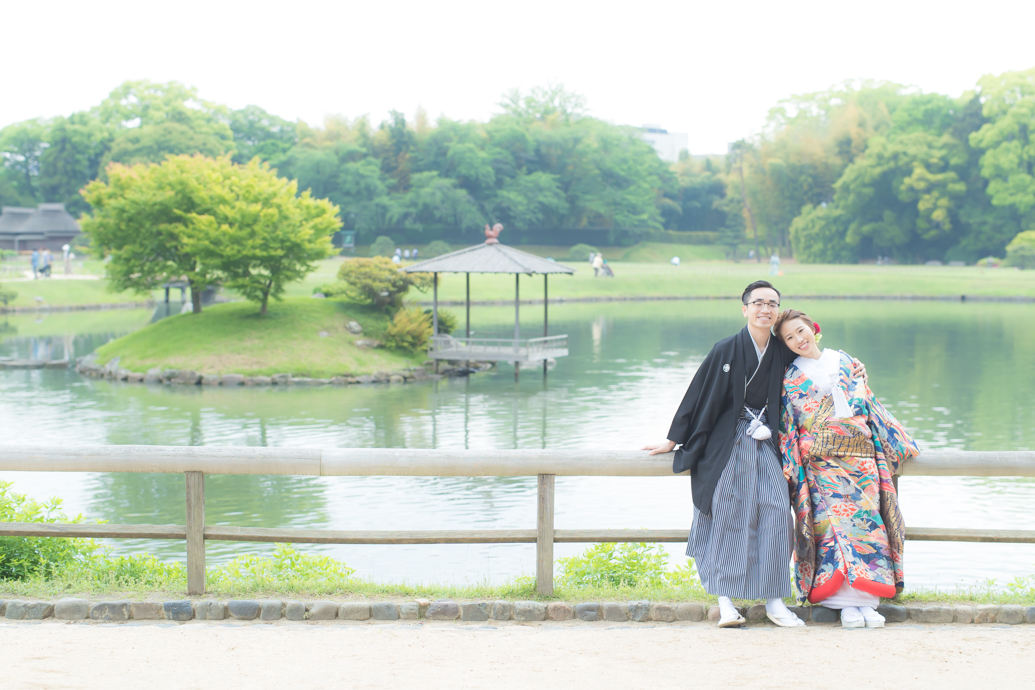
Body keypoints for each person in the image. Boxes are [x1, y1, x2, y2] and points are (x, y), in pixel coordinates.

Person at [644, 281, 866, 628]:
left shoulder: (782, 350)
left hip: (767, 442)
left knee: (777, 513)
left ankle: (774, 599)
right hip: (729, 441)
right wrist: (674, 439)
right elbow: (698, 393)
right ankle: (725, 601)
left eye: (772, 304)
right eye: (758, 303)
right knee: (727, 512)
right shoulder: (726, 349)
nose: (765, 309)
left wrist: (854, 368)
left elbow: (815, 361)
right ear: (745, 308)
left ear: (777, 311)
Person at [774, 309, 918, 629]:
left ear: (813, 328)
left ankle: (867, 602)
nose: (799, 339)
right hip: (822, 465)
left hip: (860, 460)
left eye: (801, 331)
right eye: (789, 337)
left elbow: (866, 402)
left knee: (867, 526)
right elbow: (791, 424)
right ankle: (844, 606)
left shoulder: (845, 361)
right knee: (832, 530)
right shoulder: (789, 377)